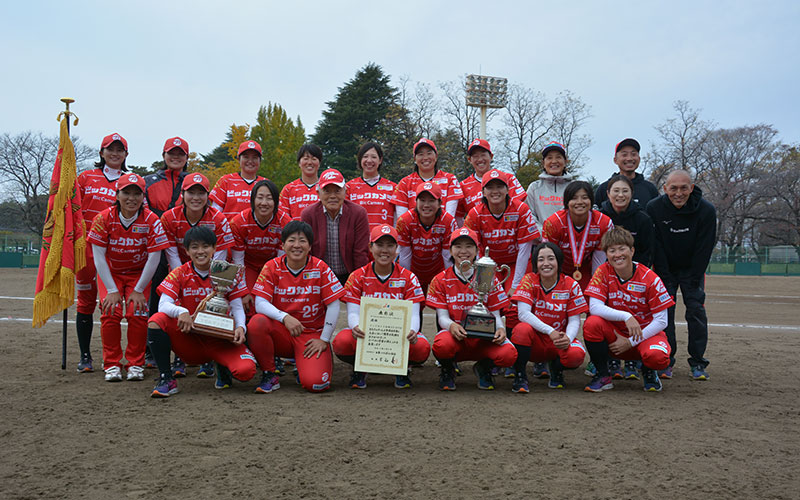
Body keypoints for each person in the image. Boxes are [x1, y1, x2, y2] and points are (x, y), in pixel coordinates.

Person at [147, 225, 256, 398]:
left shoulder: (226, 271)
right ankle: (166, 378)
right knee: (157, 320)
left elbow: (236, 305)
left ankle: (222, 367)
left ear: (214, 248)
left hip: (220, 339)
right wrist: (181, 311)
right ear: (187, 251)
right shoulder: (179, 273)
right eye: (194, 247)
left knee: (247, 371)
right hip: (190, 337)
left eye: (205, 246)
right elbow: (164, 304)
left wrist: (241, 327)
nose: (200, 251)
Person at [86, 173, 169, 382]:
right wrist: (112, 290)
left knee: (137, 313)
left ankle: (135, 363)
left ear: (143, 197)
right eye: (126, 193)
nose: (131, 198)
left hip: (138, 274)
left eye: (137, 194)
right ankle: (112, 364)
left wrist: (139, 289)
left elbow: (154, 258)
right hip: (111, 273)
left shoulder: (151, 220)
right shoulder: (103, 218)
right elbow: (99, 257)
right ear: (117, 194)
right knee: (110, 312)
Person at [245, 221, 345, 393]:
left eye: (302, 241)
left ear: (310, 246)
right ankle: (270, 373)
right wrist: (284, 317)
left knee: (315, 384)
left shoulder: (320, 267)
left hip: (311, 335)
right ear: (283, 245)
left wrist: (324, 338)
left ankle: (309, 361)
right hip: (283, 331)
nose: (297, 245)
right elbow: (260, 303)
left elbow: (334, 304)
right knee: (257, 323)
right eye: (292, 240)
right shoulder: (272, 266)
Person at [332, 225, 429, 389]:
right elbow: (353, 311)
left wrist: (412, 330)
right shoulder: (357, 276)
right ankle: (360, 368)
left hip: (397, 336)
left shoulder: (408, 277)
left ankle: (402, 368)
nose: (385, 250)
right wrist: (355, 326)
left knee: (421, 347)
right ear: (370, 247)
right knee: (342, 341)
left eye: (390, 245)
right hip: (367, 335)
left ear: (397, 248)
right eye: (379, 244)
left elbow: (414, 314)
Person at [160, 172, 234, 378]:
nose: (196, 197)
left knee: (213, 302)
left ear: (208, 196)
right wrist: (185, 277)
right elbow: (172, 253)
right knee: (178, 304)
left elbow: (219, 256)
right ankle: (179, 356)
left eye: (201, 193)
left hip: (211, 268)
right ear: (182, 194)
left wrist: (208, 279)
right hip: (180, 268)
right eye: (191, 192)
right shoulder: (169, 217)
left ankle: (210, 357)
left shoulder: (218, 218)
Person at [582, 227, 674, 393]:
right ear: (606, 254)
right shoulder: (603, 271)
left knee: (658, 358)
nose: (617, 255)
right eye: (612, 250)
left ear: (632, 251)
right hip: (615, 337)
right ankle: (604, 375)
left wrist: (630, 342)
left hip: (644, 335)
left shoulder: (650, 278)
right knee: (592, 323)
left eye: (622, 249)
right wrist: (626, 316)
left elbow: (661, 321)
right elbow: (594, 307)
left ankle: (649, 371)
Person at [646, 169, 716, 380]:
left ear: (691, 188)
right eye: (673, 188)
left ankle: (698, 362)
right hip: (665, 269)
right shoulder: (654, 208)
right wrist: (664, 274)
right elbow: (655, 245)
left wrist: (695, 277)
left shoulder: (706, 210)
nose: (678, 193)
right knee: (664, 315)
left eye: (683, 188)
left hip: (692, 270)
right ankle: (667, 360)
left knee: (696, 311)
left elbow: (705, 247)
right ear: (665, 188)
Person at [427, 228, 517, 391]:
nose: (463, 251)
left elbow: (495, 313)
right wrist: (452, 326)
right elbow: (442, 317)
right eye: (458, 246)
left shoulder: (487, 274)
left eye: (469, 246)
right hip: (457, 337)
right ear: (450, 250)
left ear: (477, 250)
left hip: (484, 339)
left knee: (509, 353)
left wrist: (501, 329)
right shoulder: (441, 279)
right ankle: (448, 369)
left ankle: (484, 367)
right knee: (442, 344)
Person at [75, 132, 129, 373]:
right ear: (101, 152)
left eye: (119, 150)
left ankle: (128, 357)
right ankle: (85, 356)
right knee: (85, 302)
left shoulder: (131, 180)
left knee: (114, 304)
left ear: (126, 154)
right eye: (110, 149)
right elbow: (70, 209)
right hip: (86, 250)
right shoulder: (85, 178)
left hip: (117, 251)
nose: (115, 153)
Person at [598, 173, 656, 379]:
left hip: (634, 273)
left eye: (625, 191)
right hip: (607, 274)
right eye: (616, 191)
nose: (620, 195)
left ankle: (633, 361)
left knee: (634, 310)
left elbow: (647, 250)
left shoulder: (642, 218)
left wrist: (636, 275)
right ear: (608, 193)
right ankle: (610, 359)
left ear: (632, 194)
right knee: (604, 313)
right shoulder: (601, 217)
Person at [509, 242, 588, 393]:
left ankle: (556, 369)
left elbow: (574, 319)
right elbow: (523, 314)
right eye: (540, 259)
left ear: (558, 261)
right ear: (535, 264)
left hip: (558, 339)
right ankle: (520, 376)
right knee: (521, 330)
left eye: (551, 258)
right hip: (536, 340)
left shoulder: (571, 284)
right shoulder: (528, 280)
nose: (546, 263)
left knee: (576, 355)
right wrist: (549, 330)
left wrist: (568, 338)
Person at [143, 136, 191, 371]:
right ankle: (151, 349)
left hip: (186, 251)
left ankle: (183, 352)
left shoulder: (192, 182)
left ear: (186, 158)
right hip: (157, 250)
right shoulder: (148, 181)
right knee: (157, 299)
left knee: (185, 299)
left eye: (180, 153)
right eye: (171, 152)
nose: (176, 157)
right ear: (163, 155)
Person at [229, 179, 290, 314]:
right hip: (248, 265)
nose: (264, 203)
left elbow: (282, 260)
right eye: (260, 198)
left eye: (269, 198)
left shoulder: (284, 221)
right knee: (249, 303)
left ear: (275, 202)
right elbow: (238, 260)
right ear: (252, 200)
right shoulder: (239, 222)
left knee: (274, 301)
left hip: (272, 266)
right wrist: (243, 291)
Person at [300, 168, 370, 285]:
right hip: (318, 277)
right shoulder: (308, 214)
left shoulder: (358, 213)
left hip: (349, 276)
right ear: (318, 193)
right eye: (327, 191)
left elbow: (360, 253)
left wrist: (358, 283)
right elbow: (307, 252)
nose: (332, 196)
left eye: (337, 191)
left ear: (345, 192)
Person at [541, 180, 614, 291]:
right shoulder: (554, 223)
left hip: (584, 268)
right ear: (566, 202)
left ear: (591, 200)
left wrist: (596, 287)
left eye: (585, 197)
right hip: (558, 267)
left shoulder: (603, 222)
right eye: (574, 198)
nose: (580, 202)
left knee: (590, 297)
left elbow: (599, 260)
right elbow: (548, 257)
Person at [395, 181, 459, 294]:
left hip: (438, 269)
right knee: (415, 305)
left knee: (443, 304)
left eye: (431, 201)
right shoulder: (405, 221)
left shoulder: (448, 221)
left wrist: (449, 282)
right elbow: (405, 255)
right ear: (416, 202)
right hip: (414, 268)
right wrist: (407, 281)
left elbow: (447, 256)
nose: (426, 205)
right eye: (422, 200)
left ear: (440, 203)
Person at [390, 138, 463, 219]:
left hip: (443, 229)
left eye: (429, 153)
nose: (425, 158)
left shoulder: (450, 179)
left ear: (436, 156)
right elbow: (402, 219)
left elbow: (450, 217)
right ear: (415, 159)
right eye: (420, 154)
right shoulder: (405, 183)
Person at [457, 139, 526, 223]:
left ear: (491, 156)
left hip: (509, 231)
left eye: (483, 155)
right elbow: (458, 217)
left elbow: (522, 209)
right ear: (469, 160)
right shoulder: (463, 186)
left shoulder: (509, 178)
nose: (480, 159)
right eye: (475, 156)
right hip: (479, 233)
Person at [594, 138, 659, 209]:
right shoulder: (604, 188)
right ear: (615, 160)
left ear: (639, 159)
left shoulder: (650, 188)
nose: (629, 158)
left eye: (633, 154)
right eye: (624, 155)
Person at [209, 140, 266, 221]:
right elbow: (215, 213)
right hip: (229, 232)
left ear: (260, 161)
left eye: (255, 157)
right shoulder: (225, 181)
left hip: (257, 232)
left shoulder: (265, 183)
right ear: (239, 159)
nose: (250, 161)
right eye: (246, 157)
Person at [346, 142, 397, 231]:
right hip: (358, 241)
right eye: (365, 157)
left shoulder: (393, 187)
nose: (369, 160)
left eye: (373, 157)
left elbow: (398, 219)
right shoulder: (349, 187)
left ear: (380, 160)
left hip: (383, 242)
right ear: (360, 159)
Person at [526, 141, 575, 228]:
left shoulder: (574, 187)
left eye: (558, 157)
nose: (554, 161)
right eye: (549, 158)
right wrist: (544, 235)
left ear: (565, 161)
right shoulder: (534, 187)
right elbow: (529, 215)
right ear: (543, 163)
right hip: (541, 239)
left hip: (569, 239)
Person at [279, 144, 322, 220]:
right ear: (299, 163)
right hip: (295, 231)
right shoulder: (288, 189)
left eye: (314, 159)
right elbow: (283, 218)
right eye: (306, 158)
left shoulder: (325, 188)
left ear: (319, 164)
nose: (309, 162)